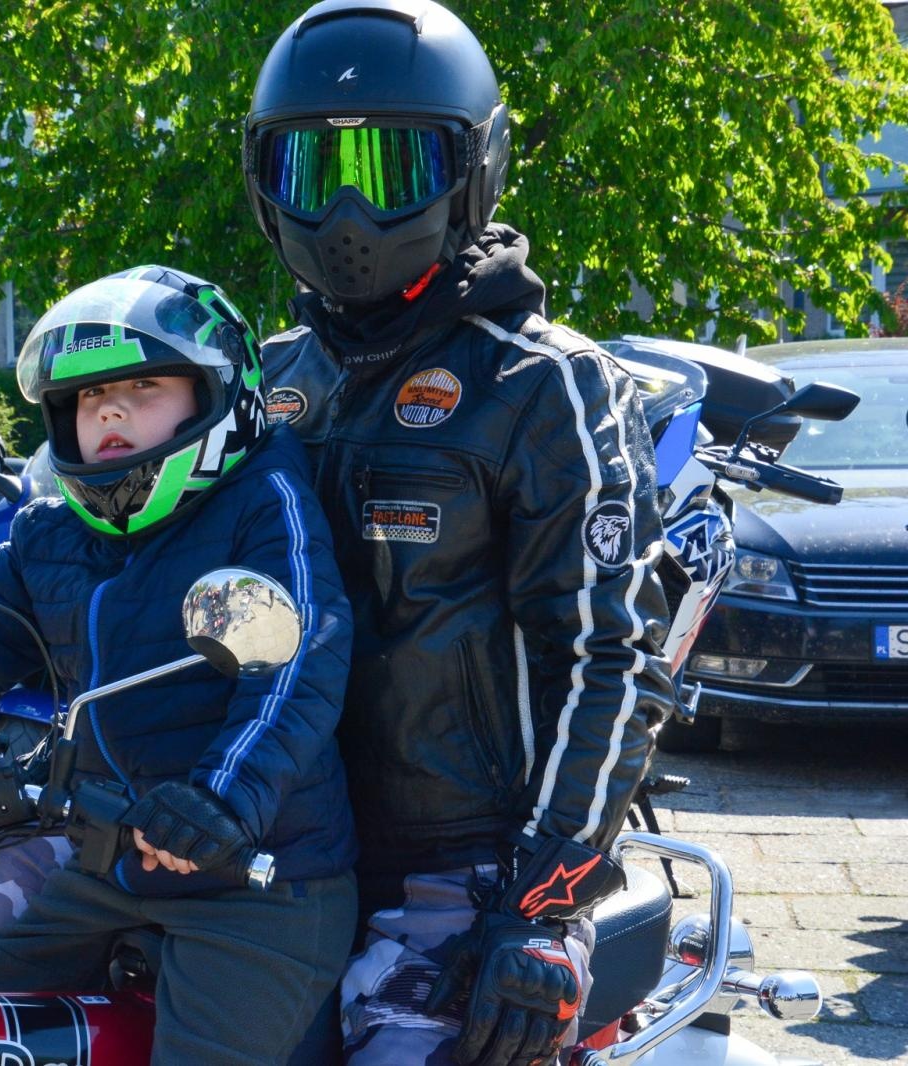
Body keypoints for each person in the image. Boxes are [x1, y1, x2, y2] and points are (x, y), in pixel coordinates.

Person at [241, 3, 677, 1064]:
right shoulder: (268, 378)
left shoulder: (543, 382)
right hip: (282, 847)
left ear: (472, 168)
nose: (345, 210)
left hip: (467, 867)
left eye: (391, 169)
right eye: (309, 167)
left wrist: (546, 898)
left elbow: (613, 657)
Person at [0, 267, 359, 1064]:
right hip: (115, 868)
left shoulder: (263, 500)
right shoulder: (49, 535)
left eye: (143, 385)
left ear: (216, 393)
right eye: (91, 400)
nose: (114, 410)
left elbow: (301, 659)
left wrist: (221, 799)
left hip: (257, 880)